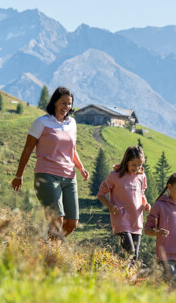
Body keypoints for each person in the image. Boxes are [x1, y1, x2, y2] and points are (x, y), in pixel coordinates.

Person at [11, 86, 89, 239]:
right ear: (54, 102)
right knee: (57, 220)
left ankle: (46, 246)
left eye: (69, 104)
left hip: (69, 176)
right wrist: (18, 175)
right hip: (47, 175)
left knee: (71, 223)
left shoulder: (72, 123)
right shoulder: (41, 123)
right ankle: (51, 254)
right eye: (63, 103)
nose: (66, 107)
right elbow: (27, 150)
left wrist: (81, 167)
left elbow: (71, 149)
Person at [97, 146, 151, 264]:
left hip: (136, 219)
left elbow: (141, 194)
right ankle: (124, 278)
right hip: (121, 218)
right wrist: (110, 206)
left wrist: (146, 204)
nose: (137, 168)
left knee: (134, 256)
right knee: (130, 252)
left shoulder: (141, 176)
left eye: (140, 165)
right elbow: (101, 194)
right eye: (134, 165)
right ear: (126, 162)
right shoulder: (115, 176)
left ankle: (127, 279)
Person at [144, 171, 176, 287]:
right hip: (165, 255)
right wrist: (157, 232)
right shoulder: (159, 205)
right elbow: (147, 230)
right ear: (169, 187)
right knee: (173, 286)